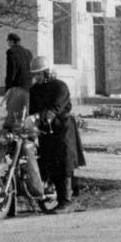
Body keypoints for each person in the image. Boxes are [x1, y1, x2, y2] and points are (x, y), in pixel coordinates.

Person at [28, 55, 85, 213]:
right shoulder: (34, 90)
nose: (37, 77)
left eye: (39, 73)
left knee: (63, 162)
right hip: (45, 130)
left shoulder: (60, 87)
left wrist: (42, 116)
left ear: (47, 72)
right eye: (35, 74)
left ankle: (65, 201)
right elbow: (30, 108)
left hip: (62, 129)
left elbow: (56, 108)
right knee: (46, 160)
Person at [2, 32, 33, 129]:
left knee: (12, 111)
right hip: (29, 86)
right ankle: (27, 131)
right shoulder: (28, 52)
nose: (8, 43)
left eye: (8, 41)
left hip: (17, 86)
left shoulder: (11, 52)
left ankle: (10, 132)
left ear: (12, 41)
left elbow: (11, 71)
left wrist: (8, 88)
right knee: (26, 111)